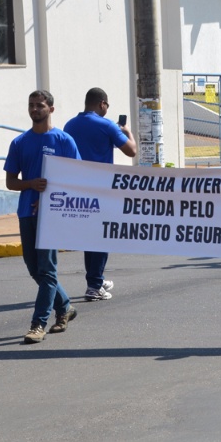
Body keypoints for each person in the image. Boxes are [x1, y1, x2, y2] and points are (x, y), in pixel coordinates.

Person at [4, 90, 81, 344]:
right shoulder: (19, 143)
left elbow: (76, 177)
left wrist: (51, 193)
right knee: (34, 268)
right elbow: (11, 182)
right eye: (31, 105)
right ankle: (65, 307)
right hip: (27, 212)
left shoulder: (64, 140)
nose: (34, 109)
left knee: (47, 270)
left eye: (39, 105)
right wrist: (31, 185)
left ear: (51, 109)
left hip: (53, 214)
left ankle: (38, 324)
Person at [64, 88, 137, 301]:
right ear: (102, 104)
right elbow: (131, 150)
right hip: (102, 188)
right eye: (107, 105)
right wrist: (127, 131)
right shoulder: (107, 126)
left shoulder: (70, 125)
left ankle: (96, 277)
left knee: (91, 236)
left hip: (78, 188)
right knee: (103, 235)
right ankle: (94, 285)